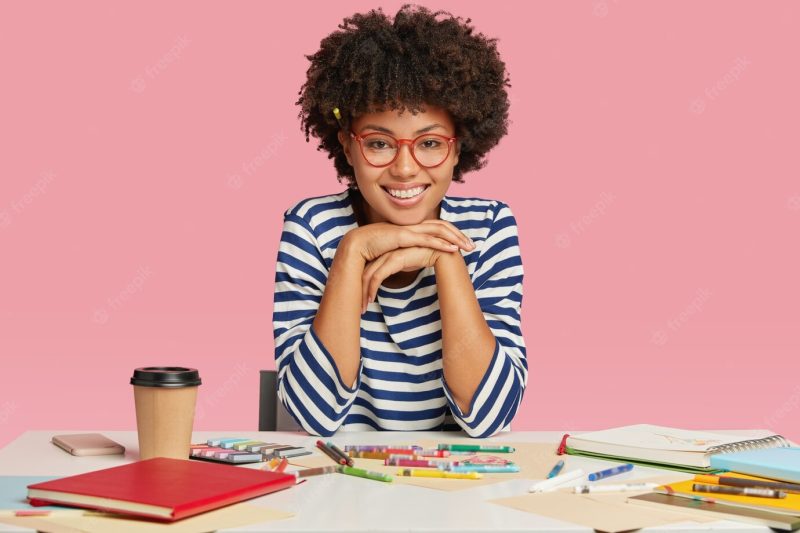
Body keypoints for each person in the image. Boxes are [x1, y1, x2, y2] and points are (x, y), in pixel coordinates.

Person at [273, 5, 526, 437]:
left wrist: (445, 255)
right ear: (348, 147)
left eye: (429, 142)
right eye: (379, 143)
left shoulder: (488, 226)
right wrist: (352, 251)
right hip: (342, 485)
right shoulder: (312, 226)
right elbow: (315, 416)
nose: (406, 169)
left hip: (450, 487)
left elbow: (489, 416)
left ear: (460, 147)